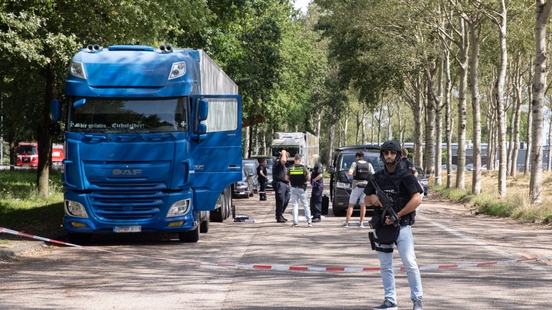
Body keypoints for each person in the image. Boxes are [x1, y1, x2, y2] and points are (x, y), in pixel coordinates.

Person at [364, 140, 424, 310]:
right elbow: (366, 200)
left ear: (398, 155)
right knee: (385, 266)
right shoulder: (376, 178)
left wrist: (397, 215)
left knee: (410, 264)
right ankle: (390, 300)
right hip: (383, 228)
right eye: (385, 153)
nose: (388, 156)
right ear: (382, 156)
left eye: (392, 153)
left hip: (402, 226)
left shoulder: (406, 176)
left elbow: (417, 199)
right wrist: (373, 199)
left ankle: (417, 300)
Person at [343, 151, 374, 228]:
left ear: (357, 157)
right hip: (366, 187)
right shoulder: (369, 164)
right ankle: (361, 223)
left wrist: (350, 173)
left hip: (356, 186)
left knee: (351, 205)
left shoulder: (355, 164)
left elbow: (350, 173)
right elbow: (373, 174)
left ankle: (346, 223)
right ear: (363, 157)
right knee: (363, 205)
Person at [286, 154, 312, 227]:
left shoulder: (291, 168)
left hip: (293, 188)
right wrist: (305, 180)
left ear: (294, 160)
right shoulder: (303, 168)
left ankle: (295, 222)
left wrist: (291, 181)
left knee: (294, 205)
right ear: (300, 160)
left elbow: (286, 178)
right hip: (302, 188)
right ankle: (309, 221)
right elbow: (309, 177)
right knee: (305, 205)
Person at [273, 150, 290, 223]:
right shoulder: (278, 162)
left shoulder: (283, 165)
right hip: (280, 183)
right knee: (280, 200)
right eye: (287, 157)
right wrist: (283, 152)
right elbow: (283, 160)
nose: (287, 159)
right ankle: (279, 215)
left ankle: (280, 214)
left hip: (285, 184)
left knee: (286, 199)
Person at [310, 154, 324, 222]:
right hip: (315, 185)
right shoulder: (315, 166)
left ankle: (317, 216)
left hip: (318, 185)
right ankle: (314, 214)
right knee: (314, 200)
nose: (312, 160)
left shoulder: (319, 165)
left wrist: (314, 180)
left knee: (317, 200)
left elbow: (320, 175)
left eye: (312, 158)